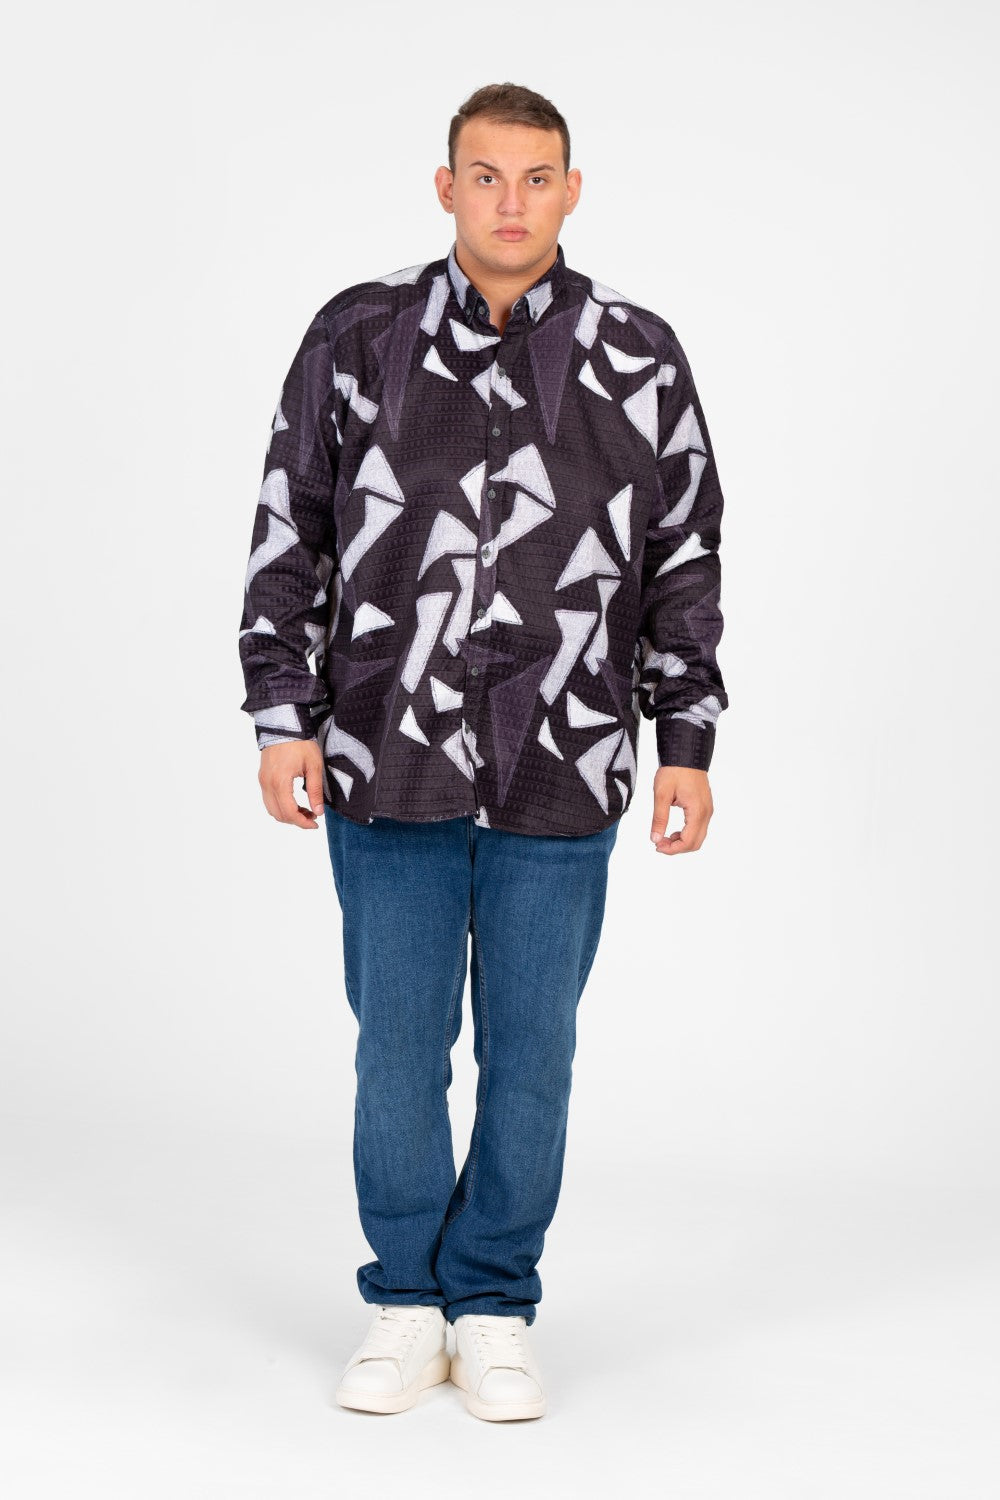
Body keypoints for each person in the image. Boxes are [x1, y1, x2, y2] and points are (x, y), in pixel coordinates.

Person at [237, 81, 729, 1422]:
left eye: (537, 177)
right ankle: (406, 1303)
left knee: (533, 1055)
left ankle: (495, 1303)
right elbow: (293, 524)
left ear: (572, 190)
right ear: (446, 185)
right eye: (488, 175)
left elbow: (684, 555)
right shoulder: (358, 335)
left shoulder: (640, 355)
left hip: (565, 765)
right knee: (398, 1051)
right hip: (383, 756)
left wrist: (686, 739)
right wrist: (281, 714)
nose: (513, 202)